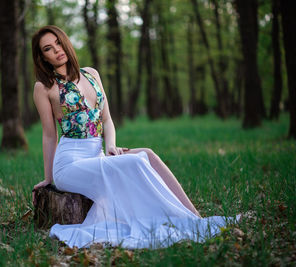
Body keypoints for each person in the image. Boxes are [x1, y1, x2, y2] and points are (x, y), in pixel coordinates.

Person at [31, 25, 235, 249]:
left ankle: (193, 216)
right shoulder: (44, 87)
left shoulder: (91, 74)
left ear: (65, 41)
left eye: (58, 43)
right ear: (43, 58)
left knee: (148, 154)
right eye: (48, 49)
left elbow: (107, 120)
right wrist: (48, 178)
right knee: (134, 162)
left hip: (97, 153)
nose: (57, 50)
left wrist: (111, 146)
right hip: (70, 163)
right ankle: (173, 217)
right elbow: (49, 136)